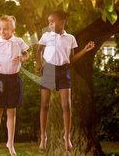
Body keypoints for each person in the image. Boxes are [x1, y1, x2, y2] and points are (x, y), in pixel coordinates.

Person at [36, 10, 95, 153]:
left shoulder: (70, 38)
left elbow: (71, 59)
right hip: (49, 69)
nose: (49, 24)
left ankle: (66, 137)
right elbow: (39, 51)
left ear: (62, 22)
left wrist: (85, 50)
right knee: (45, 105)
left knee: (66, 105)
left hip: (64, 71)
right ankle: (44, 137)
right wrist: (39, 65)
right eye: (48, 21)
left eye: (52, 21)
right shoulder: (46, 36)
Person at [0, 16, 29, 156]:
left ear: (13, 29)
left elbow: (26, 54)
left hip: (14, 80)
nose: (2, 31)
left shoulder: (18, 41)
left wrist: (22, 58)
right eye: (0, 29)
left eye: (5, 29)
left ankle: (10, 142)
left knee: (12, 112)